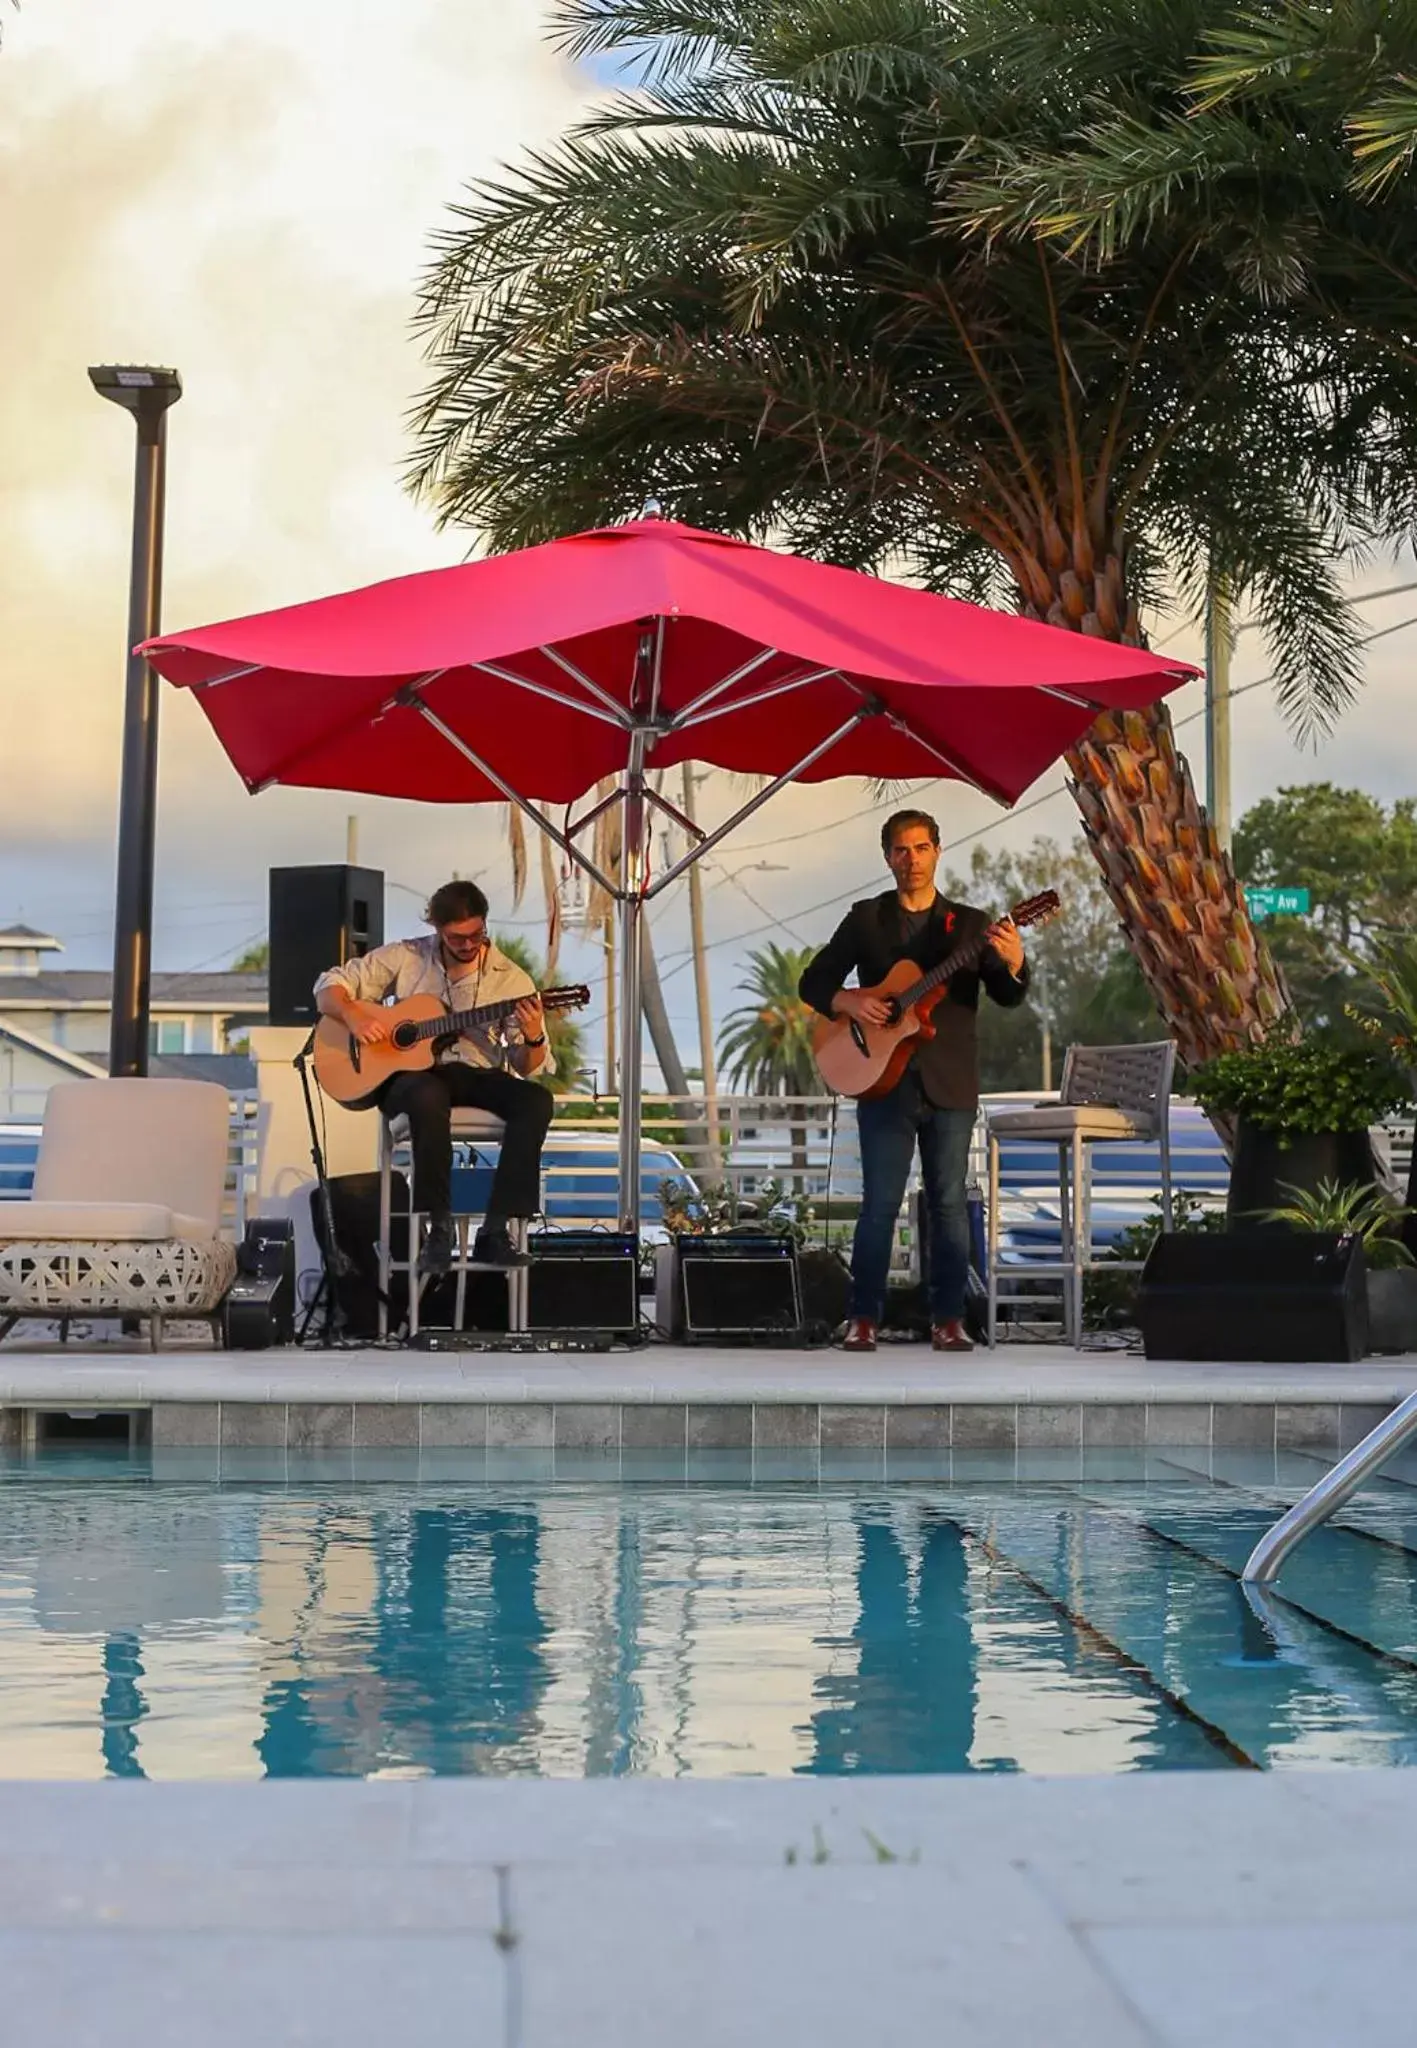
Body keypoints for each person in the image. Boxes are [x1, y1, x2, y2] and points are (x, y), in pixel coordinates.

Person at [799, 810, 1030, 1353]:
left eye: (922, 848)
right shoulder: (866, 920)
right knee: (879, 1203)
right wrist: (852, 1000)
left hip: (949, 1084)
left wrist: (1015, 963)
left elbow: (1007, 995)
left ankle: (948, 1318)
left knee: (949, 1203)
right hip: (884, 1083)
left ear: (938, 851)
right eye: (902, 850)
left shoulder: (971, 928)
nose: (912, 860)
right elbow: (814, 981)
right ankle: (862, 1317)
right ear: (888, 857)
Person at [314, 879, 554, 1275]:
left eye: (476, 933)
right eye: (456, 937)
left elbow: (527, 1065)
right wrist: (355, 1016)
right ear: (437, 929)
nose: (468, 944)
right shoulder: (408, 956)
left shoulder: (510, 980)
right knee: (427, 1094)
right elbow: (328, 985)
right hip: (408, 1077)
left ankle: (495, 1232)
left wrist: (533, 1035)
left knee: (536, 1100)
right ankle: (437, 1230)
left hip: (474, 1073)